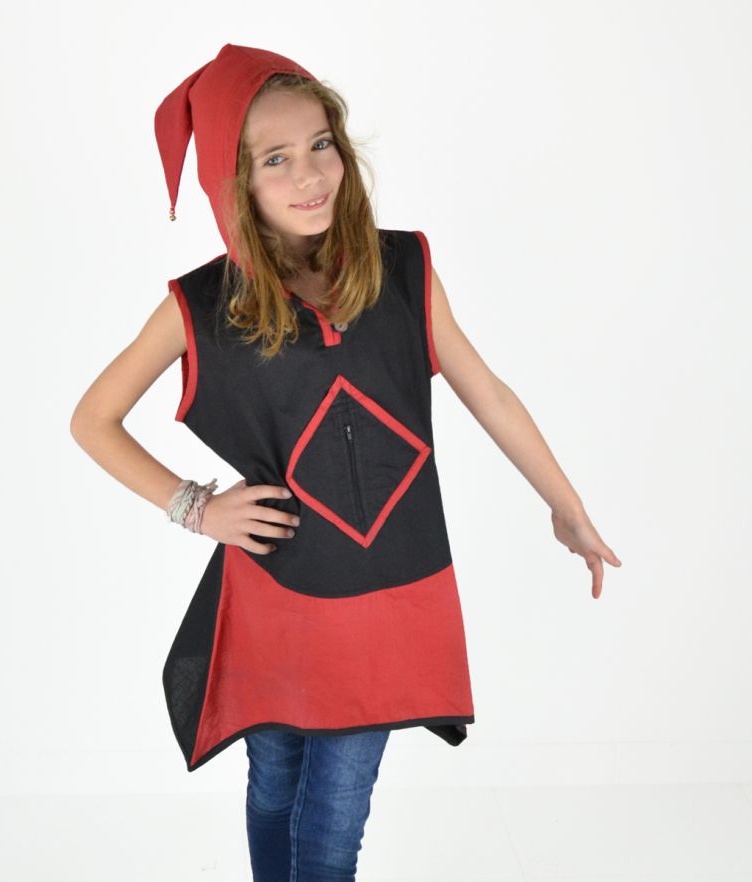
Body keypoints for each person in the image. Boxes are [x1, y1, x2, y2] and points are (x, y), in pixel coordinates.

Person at [70, 43, 621, 882]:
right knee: (274, 784)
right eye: (275, 159)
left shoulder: (403, 271)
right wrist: (196, 507)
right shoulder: (199, 306)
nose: (309, 175)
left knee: (335, 819)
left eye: (320, 144)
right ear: (234, 181)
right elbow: (93, 419)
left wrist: (566, 505)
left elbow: (491, 395)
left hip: (391, 592)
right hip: (275, 590)